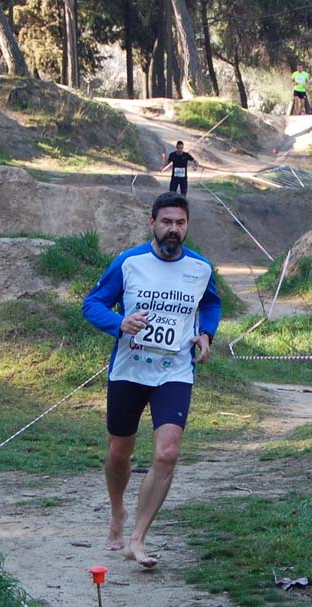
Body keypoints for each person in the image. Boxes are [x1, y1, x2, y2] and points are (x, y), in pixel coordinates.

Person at [82, 191, 221, 568]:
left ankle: (138, 539)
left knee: (168, 452)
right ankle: (117, 514)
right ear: (152, 223)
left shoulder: (201, 268)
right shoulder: (129, 262)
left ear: (187, 225)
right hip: (128, 370)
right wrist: (119, 323)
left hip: (174, 371)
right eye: (166, 222)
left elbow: (210, 302)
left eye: (180, 223)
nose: (173, 229)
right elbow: (92, 304)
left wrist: (206, 333)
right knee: (118, 452)